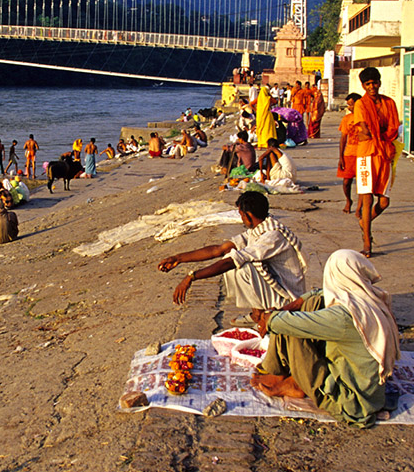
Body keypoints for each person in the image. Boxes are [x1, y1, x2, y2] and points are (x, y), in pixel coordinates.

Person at [251, 249, 401, 427]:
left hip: (350, 401)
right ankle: (281, 372)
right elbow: (318, 294)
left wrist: (268, 316)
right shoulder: (371, 297)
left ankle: (283, 376)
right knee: (310, 304)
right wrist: (301, 301)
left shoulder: (345, 316)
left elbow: (281, 323)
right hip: (368, 393)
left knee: (290, 326)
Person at [157, 191, 308, 326]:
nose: (241, 219)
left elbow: (229, 261)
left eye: (241, 215)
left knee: (239, 265)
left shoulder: (272, 236)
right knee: (233, 257)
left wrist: (191, 277)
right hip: (275, 284)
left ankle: (267, 314)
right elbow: (219, 250)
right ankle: (258, 313)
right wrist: (178, 258)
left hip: (289, 296)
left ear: (248, 215)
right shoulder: (259, 229)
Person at [353, 67, 400, 258]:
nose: (372, 87)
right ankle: (367, 243)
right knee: (367, 198)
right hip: (366, 153)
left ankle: (365, 222)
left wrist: (380, 134)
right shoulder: (360, 104)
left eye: (375, 83)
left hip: (385, 153)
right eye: (368, 84)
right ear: (364, 86)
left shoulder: (389, 103)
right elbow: (364, 130)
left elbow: (394, 127)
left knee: (384, 201)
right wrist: (379, 133)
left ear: (379, 83)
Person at [337, 93, 362, 214]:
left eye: (351, 105)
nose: (349, 107)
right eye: (348, 105)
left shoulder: (366, 117)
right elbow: (343, 139)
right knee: (347, 181)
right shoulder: (347, 119)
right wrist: (341, 157)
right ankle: (348, 200)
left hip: (363, 153)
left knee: (363, 183)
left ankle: (360, 207)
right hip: (349, 154)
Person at [256, 84, 277, 148]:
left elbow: (251, 103)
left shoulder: (259, 99)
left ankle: (261, 143)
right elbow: (275, 101)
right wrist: (270, 95)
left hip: (260, 115)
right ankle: (268, 143)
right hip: (267, 115)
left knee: (261, 129)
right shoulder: (268, 98)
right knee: (268, 129)